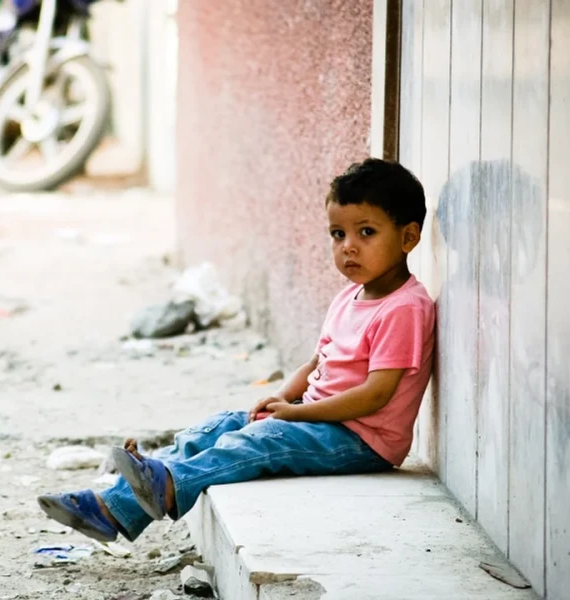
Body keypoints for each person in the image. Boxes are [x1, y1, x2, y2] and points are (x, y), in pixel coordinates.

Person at [37, 158, 437, 543]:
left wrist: (296, 413)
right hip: (322, 423)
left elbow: (375, 395)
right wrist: (282, 396)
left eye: (366, 233)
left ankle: (159, 489)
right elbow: (318, 363)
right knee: (223, 425)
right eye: (338, 234)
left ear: (408, 237)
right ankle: (116, 504)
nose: (348, 247)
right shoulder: (350, 295)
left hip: (361, 442)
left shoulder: (404, 308)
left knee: (260, 439)